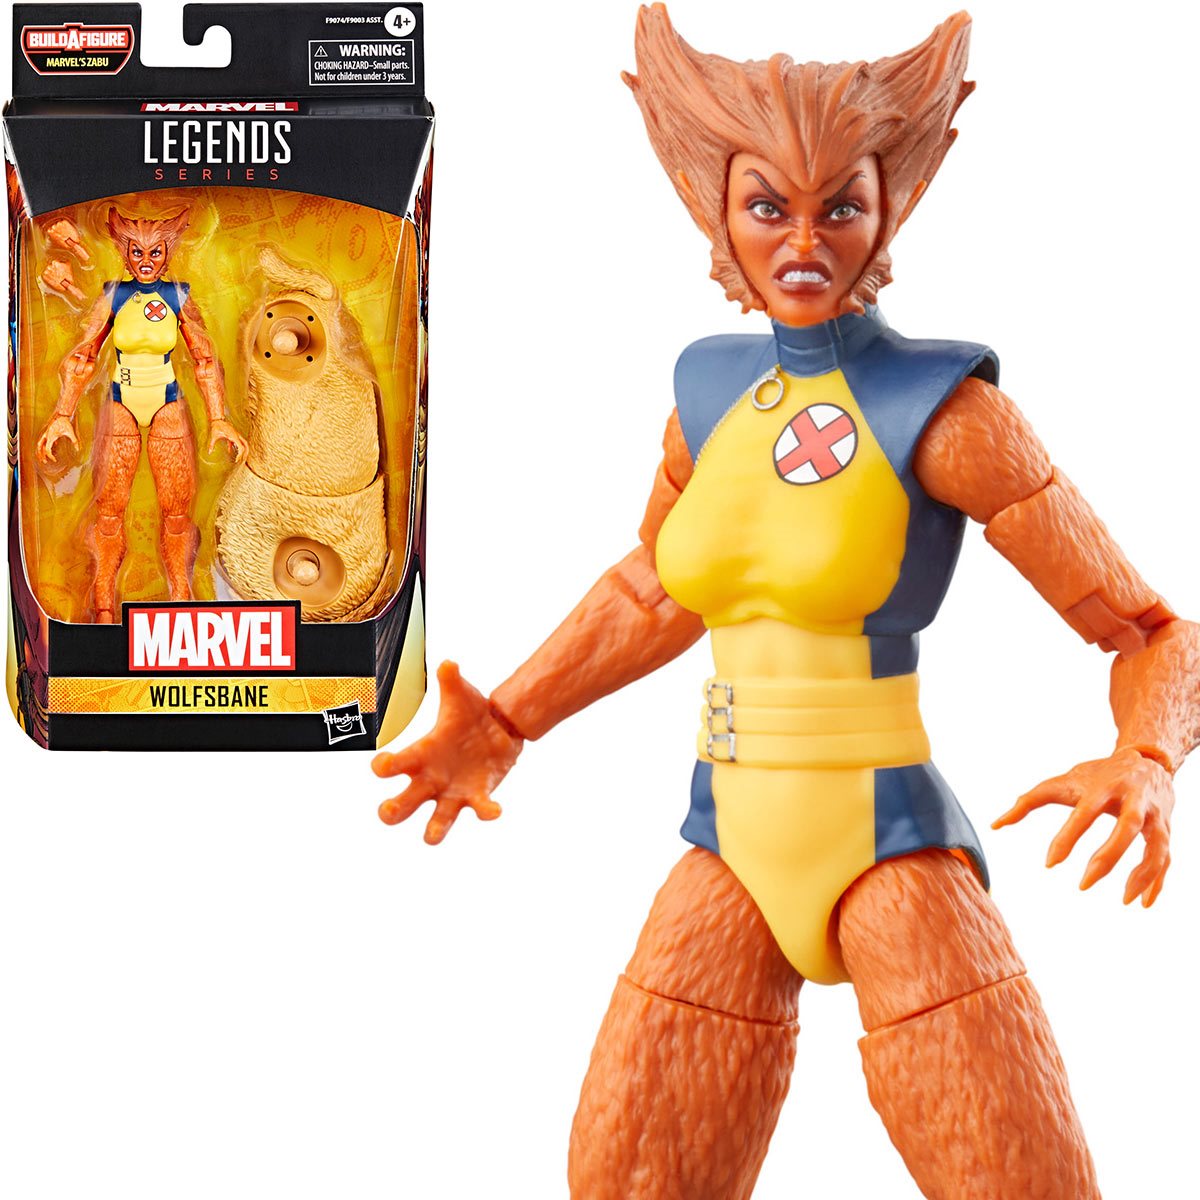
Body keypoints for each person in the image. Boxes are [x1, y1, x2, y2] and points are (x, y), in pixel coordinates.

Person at [373, 8, 1199, 1197]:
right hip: (730, 838)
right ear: (716, 207)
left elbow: (1153, 631)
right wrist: (505, 720)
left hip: (887, 842)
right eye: (769, 206)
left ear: (888, 209)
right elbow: (654, 587)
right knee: (626, 1176)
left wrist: (1149, 756)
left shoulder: (945, 413)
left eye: (838, 207)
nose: (803, 241)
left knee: (1013, 1178)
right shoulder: (710, 397)